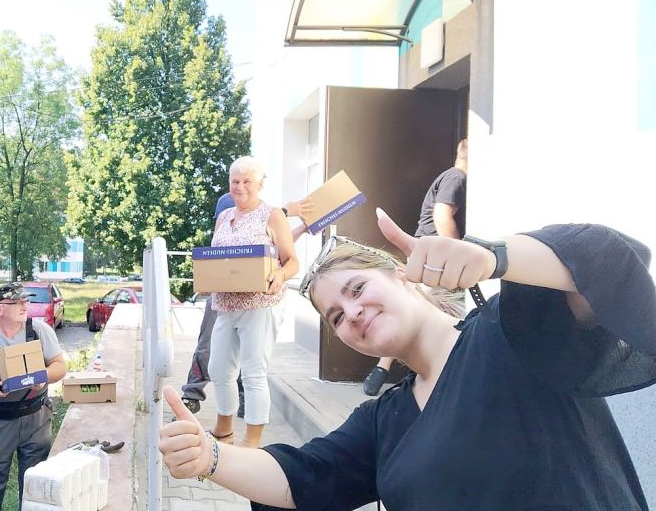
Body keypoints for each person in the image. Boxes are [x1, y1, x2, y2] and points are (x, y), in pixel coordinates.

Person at [160, 208, 656, 510]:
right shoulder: (385, 419)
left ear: (401, 276)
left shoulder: (510, 332)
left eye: (358, 289)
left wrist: (495, 257)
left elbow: (606, 261)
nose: (352, 312)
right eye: (335, 317)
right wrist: (211, 457)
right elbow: (300, 478)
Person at [181, 193, 312, 416]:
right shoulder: (227, 209)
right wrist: (286, 211)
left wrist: (299, 226)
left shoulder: (267, 215)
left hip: (255, 301)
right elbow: (236, 248)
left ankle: (242, 399)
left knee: (249, 359)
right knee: (209, 348)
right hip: (223, 296)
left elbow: (273, 249)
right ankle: (192, 394)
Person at [203, 156, 300, 448]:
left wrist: (280, 275)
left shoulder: (272, 215)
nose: (240, 187)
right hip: (225, 306)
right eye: (235, 181)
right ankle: (224, 429)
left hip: (260, 305)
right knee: (219, 369)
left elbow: (292, 261)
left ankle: (252, 441)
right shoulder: (223, 217)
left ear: (259, 184)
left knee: (253, 371)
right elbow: (217, 260)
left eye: (247, 181)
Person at [363, 137, 468, 396]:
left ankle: (380, 372)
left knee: (417, 310)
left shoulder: (448, 177)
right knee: (437, 315)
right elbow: (442, 214)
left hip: (427, 255)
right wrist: (456, 252)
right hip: (434, 258)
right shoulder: (456, 177)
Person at [0, 282, 66, 511]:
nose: (24, 305)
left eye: (26, 301)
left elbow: (59, 366)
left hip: (37, 417)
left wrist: (41, 376)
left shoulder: (38, 330)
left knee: (36, 489)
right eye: (16, 302)